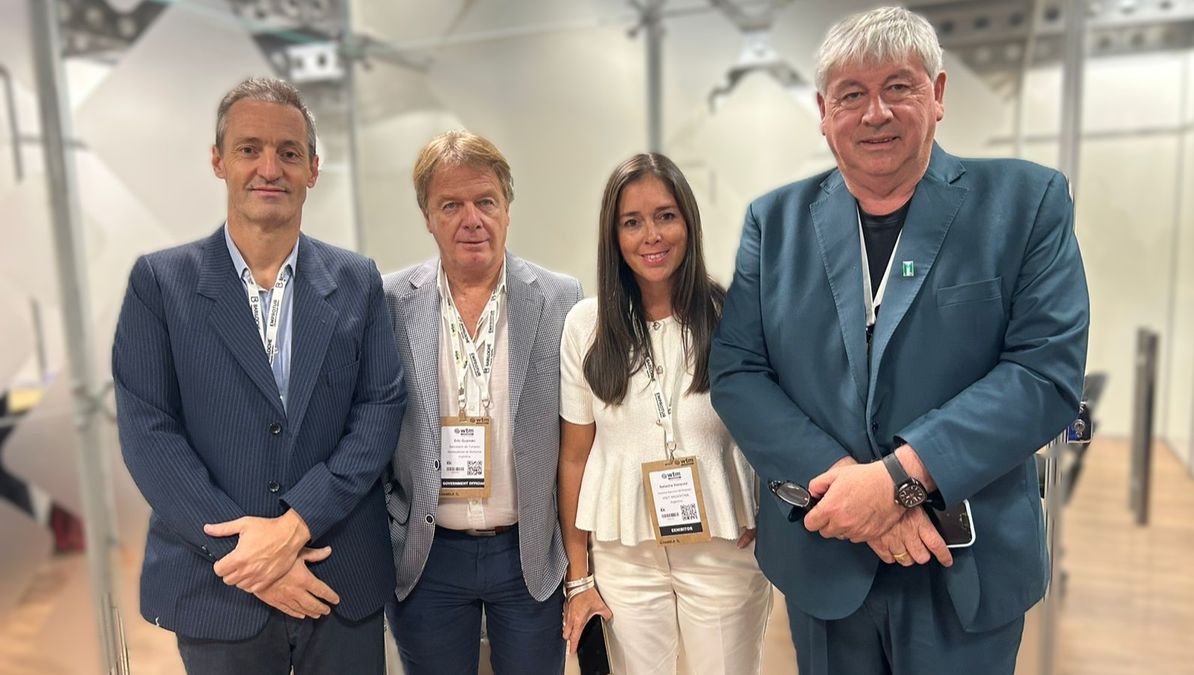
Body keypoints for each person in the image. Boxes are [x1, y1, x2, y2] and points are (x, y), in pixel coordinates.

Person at [709, 7, 1090, 675]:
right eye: (851, 94)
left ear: (937, 95)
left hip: (965, 568)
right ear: (825, 112)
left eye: (899, 86)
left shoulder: (1024, 204)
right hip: (825, 565)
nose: (875, 112)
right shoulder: (774, 224)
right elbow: (739, 373)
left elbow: (1044, 374)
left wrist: (898, 485)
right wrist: (857, 496)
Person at [112, 77, 405, 674]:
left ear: (313, 169)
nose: (269, 167)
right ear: (219, 160)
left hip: (337, 575)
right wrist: (246, 554)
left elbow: (379, 409)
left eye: (289, 152)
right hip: (218, 582)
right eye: (249, 148)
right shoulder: (160, 285)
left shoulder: (357, 281)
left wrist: (296, 524)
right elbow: (149, 432)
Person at [558, 153, 771, 674]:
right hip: (624, 555)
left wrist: (774, 517)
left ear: (688, 223)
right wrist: (579, 577)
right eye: (632, 222)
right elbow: (573, 458)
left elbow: (772, 428)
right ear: (615, 236)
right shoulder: (586, 325)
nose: (651, 235)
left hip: (722, 546)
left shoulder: (733, 315)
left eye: (665, 215)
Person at [382, 130, 583, 675]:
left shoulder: (562, 299)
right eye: (451, 205)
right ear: (427, 215)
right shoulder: (390, 302)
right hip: (429, 556)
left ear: (507, 209)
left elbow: (581, 435)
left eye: (485, 201)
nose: (472, 219)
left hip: (528, 555)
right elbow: (370, 423)